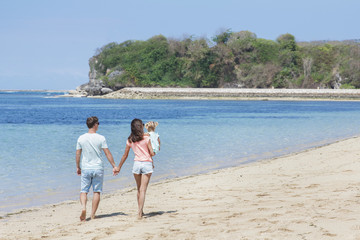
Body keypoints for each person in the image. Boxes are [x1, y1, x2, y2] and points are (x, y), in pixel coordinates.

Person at [76, 116, 117, 222]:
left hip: (85, 167)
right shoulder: (101, 138)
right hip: (98, 168)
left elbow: (78, 154)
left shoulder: (81, 138)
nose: (99, 125)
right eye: (98, 123)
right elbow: (107, 153)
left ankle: (83, 207)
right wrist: (114, 166)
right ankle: (93, 215)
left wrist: (77, 167)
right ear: (95, 125)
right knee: (96, 191)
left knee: (84, 191)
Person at [115, 118, 155, 219]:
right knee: (143, 190)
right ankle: (140, 213)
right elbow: (152, 153)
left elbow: (125, 155)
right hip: (146, 164)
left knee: (139, 189)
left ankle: (140, 211)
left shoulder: (130, 140)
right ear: (141, 127)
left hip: (136, 164)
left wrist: (119, 167)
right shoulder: (146, 139)